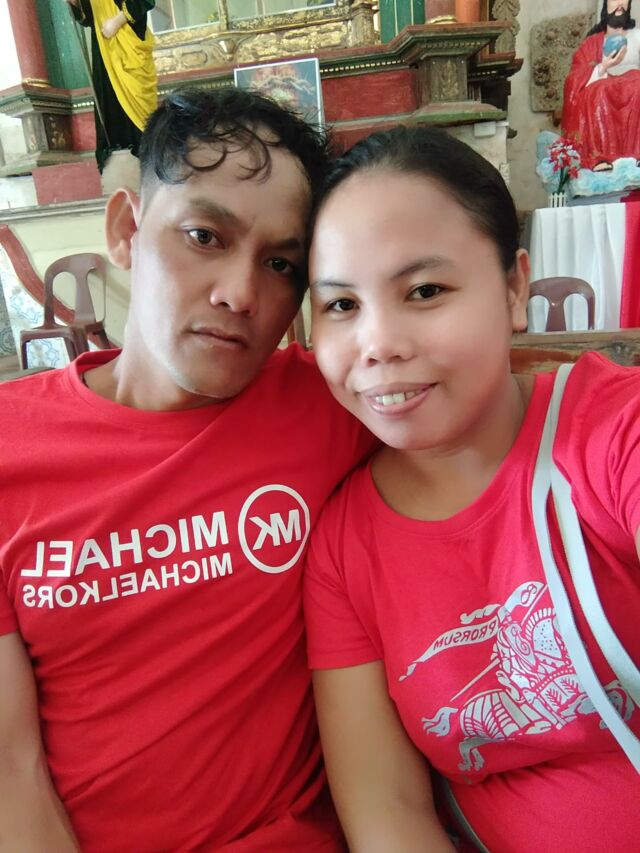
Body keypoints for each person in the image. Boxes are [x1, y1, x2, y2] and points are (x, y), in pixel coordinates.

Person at [0, 86, 373, 850]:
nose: (241, 294)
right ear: (126, 230)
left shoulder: (337, 403)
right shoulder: (11, 448)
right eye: (205, 235)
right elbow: (11, 770)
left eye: (280, 263)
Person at [303, 124, 640, 852]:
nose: (378, 344)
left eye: (425, 290)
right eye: (341, 305)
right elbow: (387, 810)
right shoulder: (342, 548)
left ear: (515, 287)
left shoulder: (615, 432)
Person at [66, 0, 157, 172]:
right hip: (104, 51)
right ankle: (120, 170)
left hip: (129, 43)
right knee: (110, 106)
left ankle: (148, 168)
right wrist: (76, 3)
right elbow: (88, 17)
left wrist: (118, 20)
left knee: (139, 109)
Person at [563, 0, 640, 170]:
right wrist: (604, 66)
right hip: (604, 90)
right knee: (599, 91)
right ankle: (599, 158)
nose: (619, 4)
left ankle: (637, 154)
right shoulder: (592, 43)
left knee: (637, 82)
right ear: (605, 4)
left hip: (633, 89)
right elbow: (573, 80)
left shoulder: (637, 36)